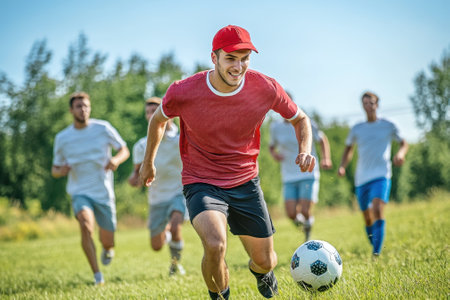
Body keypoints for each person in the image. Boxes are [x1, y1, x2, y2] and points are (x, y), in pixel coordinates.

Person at [139, 25, 316, 299]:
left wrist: (305, 149)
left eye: (245, 58)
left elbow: (300, 119)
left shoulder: (265, 87)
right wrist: (148, 161)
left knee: (267, 260)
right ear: (214, 58)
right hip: (202, 182)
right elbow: (159, 120)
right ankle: (220, 296)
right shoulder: (184, 91)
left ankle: (261, 272)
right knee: (215, 244)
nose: (238, 66)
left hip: (245, 181)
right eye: (231, 58)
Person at [51, 92, 130, 285]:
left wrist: (115, 160)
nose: (83, 109)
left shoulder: (103, 128)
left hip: (103, 192)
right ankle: (97, 276)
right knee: (86, 226)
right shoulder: (63, 138)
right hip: (79, 191)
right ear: (71, 110)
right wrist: (62, 170)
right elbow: (54, 169)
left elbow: (124, 149)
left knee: (108, 241)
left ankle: (108, 248)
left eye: (86, 106)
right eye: (78, 106)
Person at [337, 91, 408, 256]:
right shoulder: (357, 128)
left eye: (371, 103)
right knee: (367, 217)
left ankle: (376, 252)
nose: (368, 106)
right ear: (362, 106)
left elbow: (403, 143)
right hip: (361, 178)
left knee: (377, 209)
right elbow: (348, 149)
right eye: (365, 103)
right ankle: (375, 244)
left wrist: (400, 154)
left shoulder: (388, 125)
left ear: (377, 105)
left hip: (382, 175)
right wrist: (342, 166)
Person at [128, 96, 186, 276]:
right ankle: (167, 240)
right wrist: (134, 179)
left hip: (180, 193)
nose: (151, 115)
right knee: (156, 245)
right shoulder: (141, 145)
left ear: (166, 113)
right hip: (156, 198)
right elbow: (137, 173)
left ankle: (175, 266)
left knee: (176, 227)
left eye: (155, 111)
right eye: (148, 112)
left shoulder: (181, 139)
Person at [269, 94, 332, 241]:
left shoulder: (304, 120)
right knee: (291, 214)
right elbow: (272, 146)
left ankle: (308, 233)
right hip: (288, 175)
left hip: (308, 173)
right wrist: (275, 155)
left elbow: (322, 139)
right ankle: (306, 227)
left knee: (305, 210)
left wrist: (326, 158)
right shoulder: (275, 127)